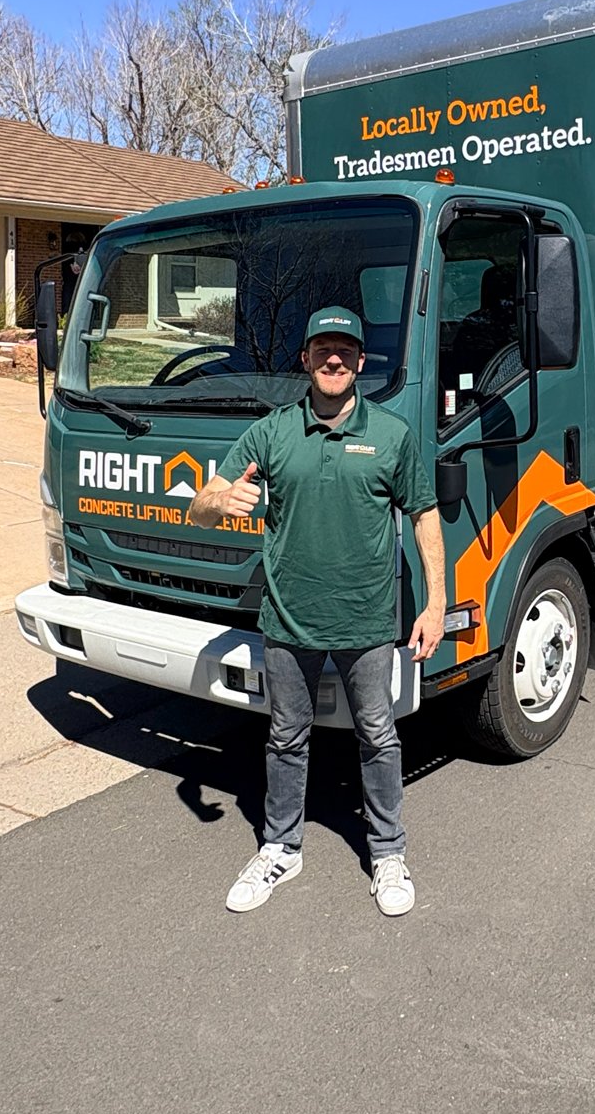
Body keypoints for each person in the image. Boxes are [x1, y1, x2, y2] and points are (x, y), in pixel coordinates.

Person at [188, 306, 445, 918]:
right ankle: (281, 847)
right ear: (305, 360)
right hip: (289, 619)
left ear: (360, 362)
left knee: (378, 736)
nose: (334, 360)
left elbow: (424, 513)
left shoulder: (391, 434)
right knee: (285, 737)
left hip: (366, 620)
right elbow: (199, 503)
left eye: (346, 351)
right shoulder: (273, 433)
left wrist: (436, 602)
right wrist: (222, 502)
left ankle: (387, 852)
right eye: (322, 349)